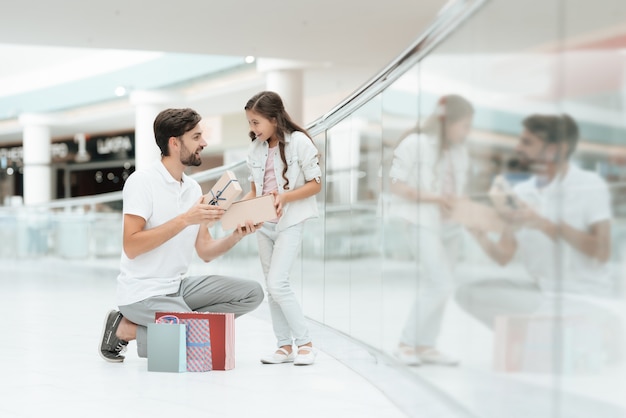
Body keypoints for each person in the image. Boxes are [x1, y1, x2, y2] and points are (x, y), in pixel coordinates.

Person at [99, 108, 264, 363]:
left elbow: (205, 251)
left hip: (177, 287)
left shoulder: (193, 188)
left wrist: (236, 236)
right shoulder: (142, 182)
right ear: (175, 143)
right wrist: (186, 219)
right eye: (196, 137)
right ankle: (124, 329)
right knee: (205, 346)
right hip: (142, 293)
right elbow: (131, 246)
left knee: (252, 293)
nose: (204, 143)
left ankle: (176, 326)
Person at [456, 113, 613, 330]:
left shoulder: (589, 185)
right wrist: (479, 234)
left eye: (527, 142)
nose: (518, 147)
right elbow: (504, 255)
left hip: (583, 295)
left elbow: (602, 251)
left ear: (556, 150)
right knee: (469, 293)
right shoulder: (521, 193)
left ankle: (560, 334)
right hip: (540, 294)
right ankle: (539, 335)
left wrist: (540, 222)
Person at [388, 94, 474, 366]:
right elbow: (396, 185)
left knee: (440, 286)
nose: (467, 133)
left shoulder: (460, 152)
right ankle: (405, 342)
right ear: (446, 122)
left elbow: (458, 191)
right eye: (464, 126)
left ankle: (426, 345)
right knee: (440, 283)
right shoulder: (415, 143)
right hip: (421, 222)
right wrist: (435, 199)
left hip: (450, 226)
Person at [242, 91, 322, 366]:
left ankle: (306, 343)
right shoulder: (255, 149)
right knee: (271, 287)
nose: (252, 129)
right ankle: (284, 345)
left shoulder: (300, 142)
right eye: (250, 123)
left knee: (278, 283)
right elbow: (254, 190)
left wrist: (284, 197)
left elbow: (316, 184)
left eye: (256, 122)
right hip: (264, 226)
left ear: (274, 119)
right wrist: (238, 212)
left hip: (290, 222)